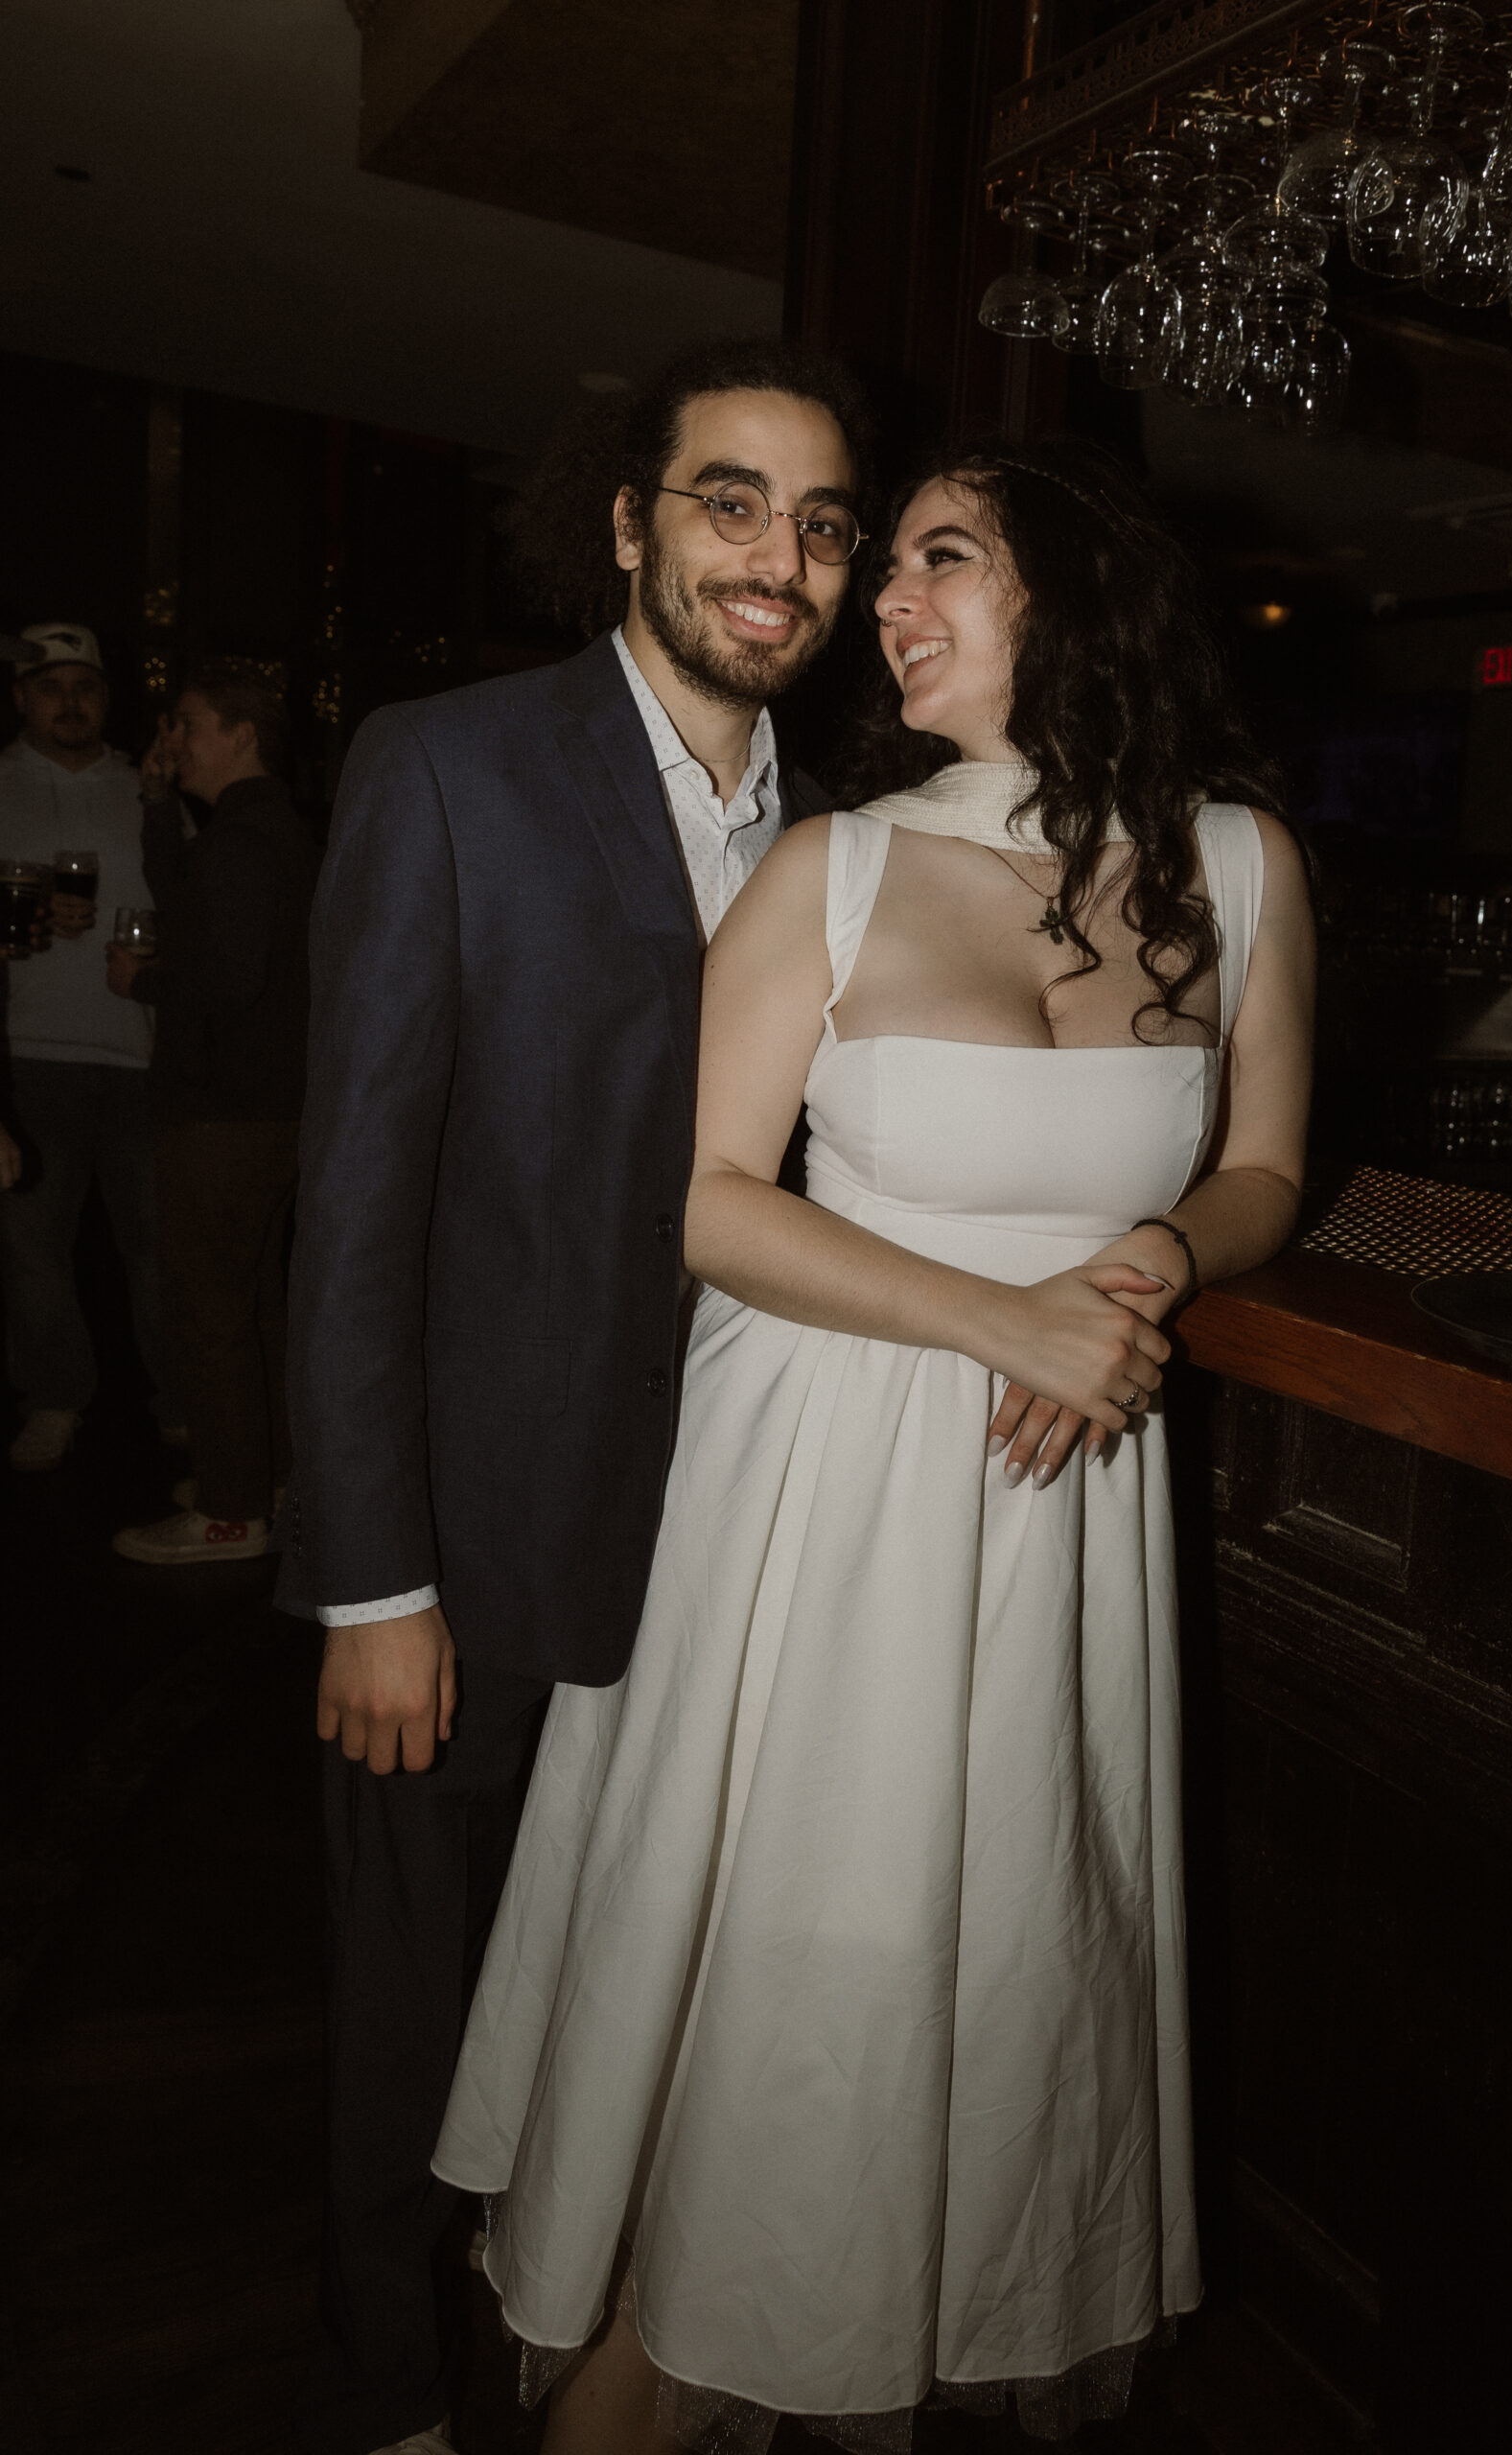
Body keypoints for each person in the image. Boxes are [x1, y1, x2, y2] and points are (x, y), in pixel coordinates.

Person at [432, 436, 1317, 2453]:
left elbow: (1266, 1164)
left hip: (1050, 1506)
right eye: (883, 561)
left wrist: (1152, 1261)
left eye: (937, 560)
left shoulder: (1242, 866)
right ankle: (645, 2366)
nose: (879, 599)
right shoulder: (825, 865)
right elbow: (703, 1196)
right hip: (812, 1491)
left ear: (1071, 597)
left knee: (983, 1965)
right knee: (780, 1972)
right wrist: (1009, 1314)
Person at [274, 337, 875, 2455]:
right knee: (408, 2011)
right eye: (729, 501)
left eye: (816, 521)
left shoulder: (853, 833)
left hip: (730, 1545)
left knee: (627, 1999)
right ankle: (385, 2396)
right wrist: (368, 1579)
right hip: (478, 1531)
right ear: (627, 521)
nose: (775, 558)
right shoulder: (450, 764)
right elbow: (355, 1196)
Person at [107, 665, 315, 1563]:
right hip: (275, 1111)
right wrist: (157, 808)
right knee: (253, 1303)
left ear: (242, 734)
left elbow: (222, 981)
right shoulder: (268, 829)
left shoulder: (243, 843)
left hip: (222, 1116)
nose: (169, 740)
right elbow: (193, 908)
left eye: (187, 723)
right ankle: (267, 1479)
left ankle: (232, 1510)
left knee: (209, 1309)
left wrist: (142, 981)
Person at [0, 621, 179, 1470]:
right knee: (33, 1251)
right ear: (20, 698)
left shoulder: (148, 787)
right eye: (50, 687)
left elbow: (194, 904)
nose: (69, 703)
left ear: (107, 699)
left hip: (138, 1055)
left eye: (85, 687)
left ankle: (184, 1404)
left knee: (159, 1250)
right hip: (25, 1050)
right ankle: (56, 1400)